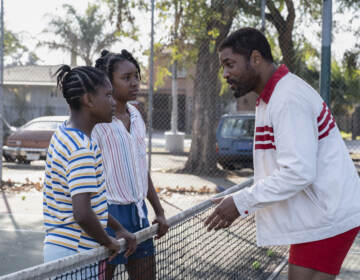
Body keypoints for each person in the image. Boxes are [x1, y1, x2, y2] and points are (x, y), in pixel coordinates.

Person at [204, 27, 360, 280]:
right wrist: (240, 198)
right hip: (319, 214)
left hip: (329, 216)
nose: (225, 74)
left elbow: (298, 172)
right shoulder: (273, 96)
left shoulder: (287, 98)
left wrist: (241, 203)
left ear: (255, 58)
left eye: (230, 64)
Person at [43, 65, 137, 268]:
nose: (113, 102)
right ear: (89, 100)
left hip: (63, 251)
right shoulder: (81, 148)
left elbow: (93, 204)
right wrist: (109, 241)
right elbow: (82, 213)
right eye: (108, 95)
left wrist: (118, 228)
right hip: (75, 254)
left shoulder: (63, 133)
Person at [93, 50, 169, 280]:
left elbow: (140, 168)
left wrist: (160, 211)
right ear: (108, 82)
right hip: (108, 217)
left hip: (139, 214)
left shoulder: (136, 115)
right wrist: (112, 225)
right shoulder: (97, 122)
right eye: (126, 78)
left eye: (136, 76)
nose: (134, 82)